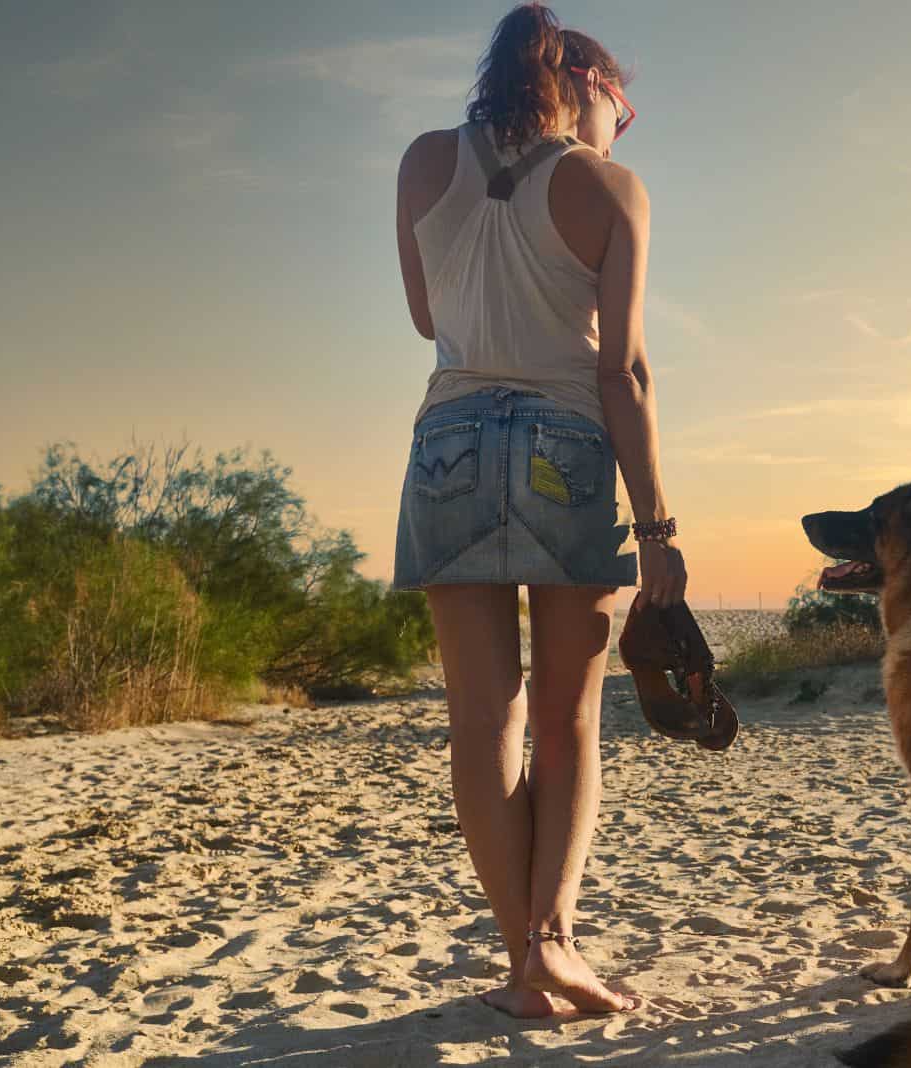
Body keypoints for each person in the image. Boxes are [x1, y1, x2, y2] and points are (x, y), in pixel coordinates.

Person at [391, 2, 684, 1017]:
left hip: (450, 442)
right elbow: (626, 373)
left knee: (483, 720)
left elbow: (429, 315)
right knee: (567, 720)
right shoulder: (610, 187)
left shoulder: (424, 160)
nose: (626, 125)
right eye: (622, 106)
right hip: (566, 439)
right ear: (587, 86)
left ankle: (525, 956)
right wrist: (657, 532)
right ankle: (551, 943)